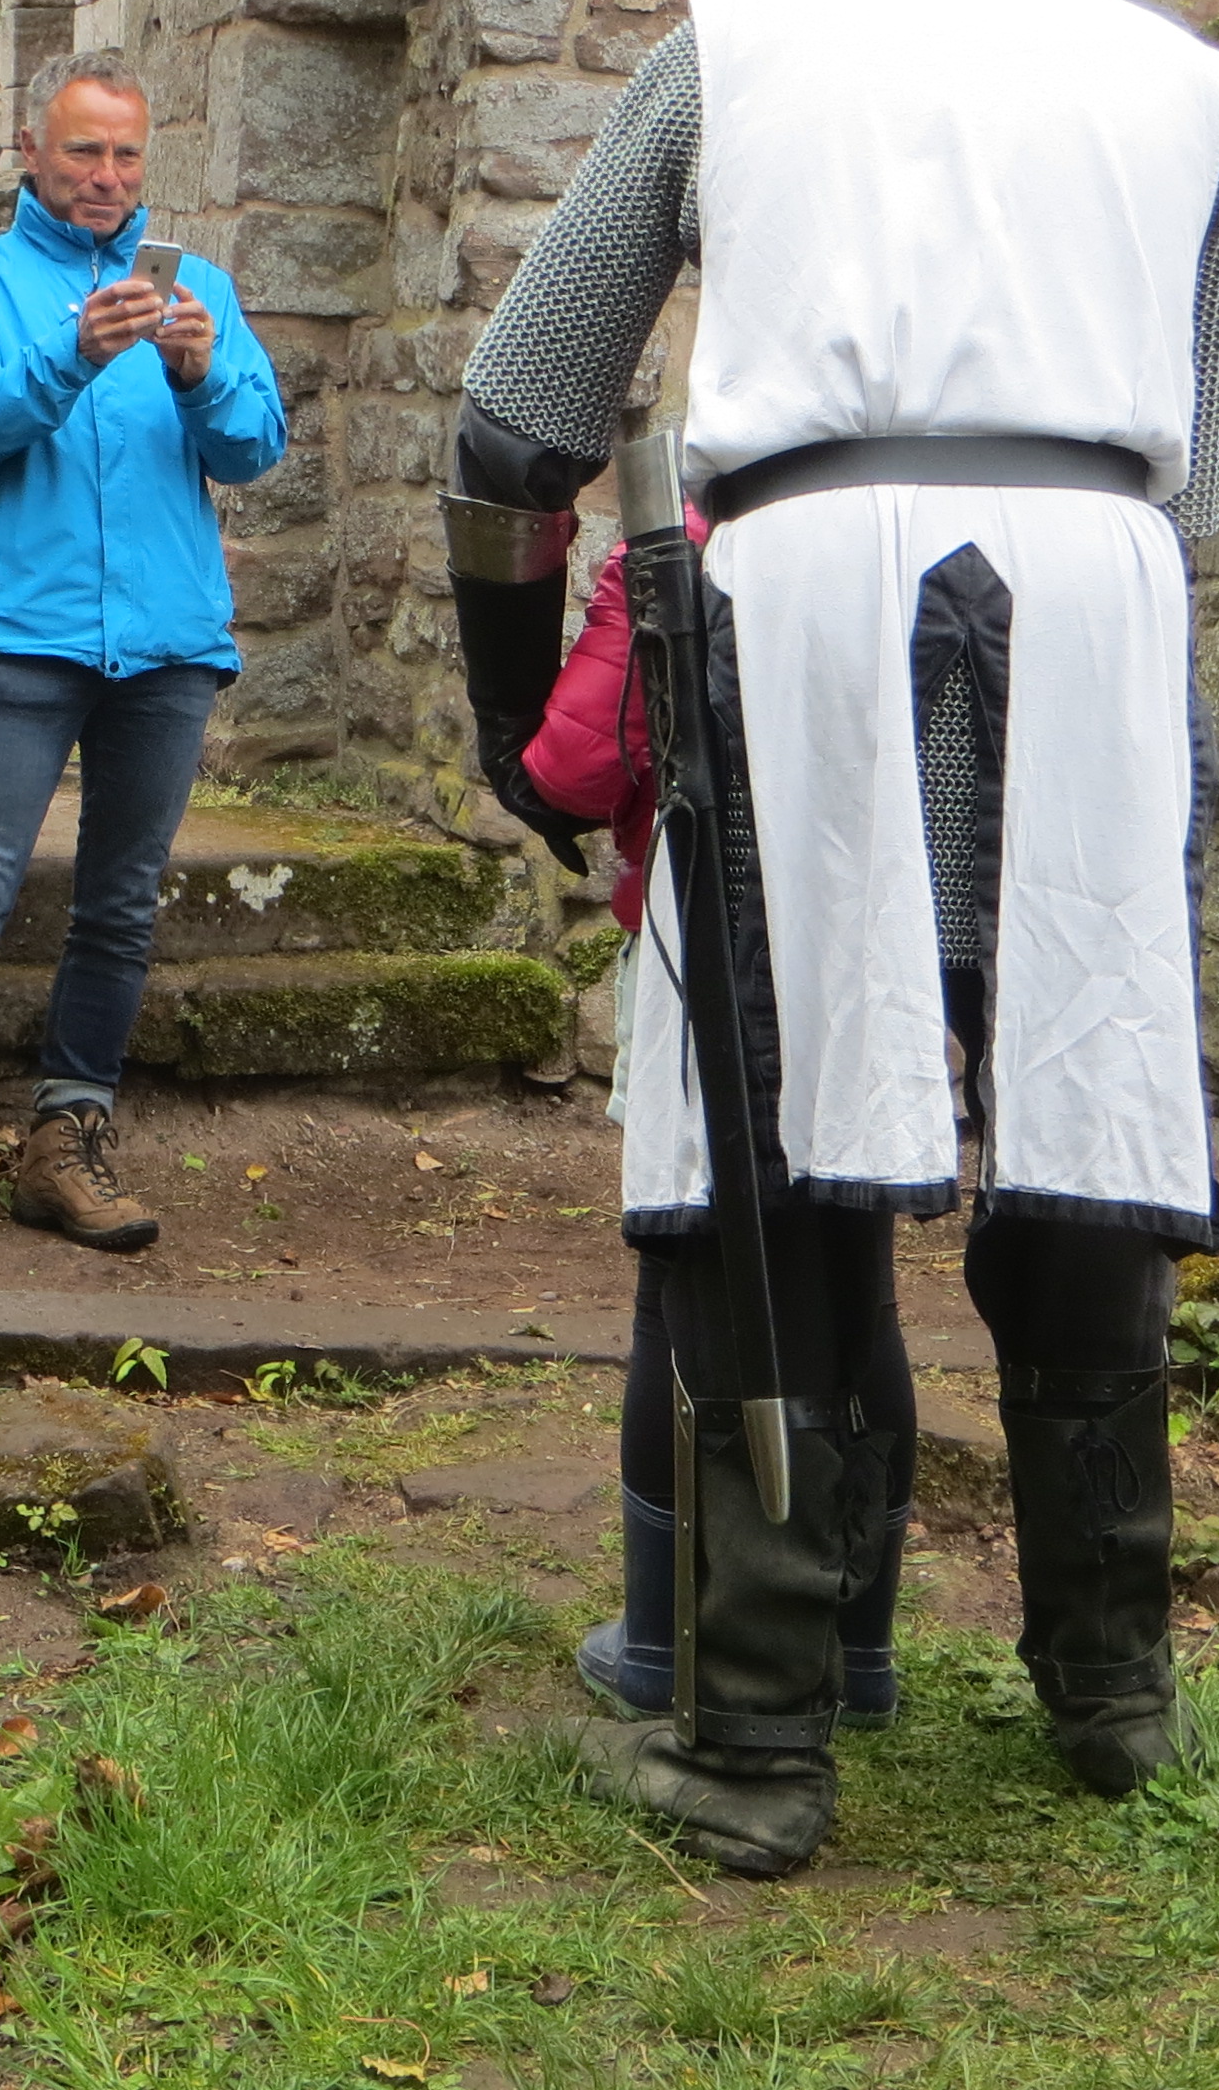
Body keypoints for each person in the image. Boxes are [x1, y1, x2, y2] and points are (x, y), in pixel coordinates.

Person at [444, 0, 1219, 1875]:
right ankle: (1112, 1696)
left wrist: (513, 711)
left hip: (806, 605)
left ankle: (756, 1743)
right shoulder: (1180, 80)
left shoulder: (730, 46)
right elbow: (1201, 463)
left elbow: (517, 423)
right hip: (1098, 605)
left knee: (772, 1137)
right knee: (1083, 1116)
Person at [0, 53, 289, 1283]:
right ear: (29, 152)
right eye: (83, 151)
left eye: (126, 154)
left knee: (120, 903)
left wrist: (199, 374)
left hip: (167, 643)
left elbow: (255, 449)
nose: (106, 177)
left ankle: (66, 1141)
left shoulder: (199, 288)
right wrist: (71, 356)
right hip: (21, 638)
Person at [522, 517, 916, 1736]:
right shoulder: (909, 524)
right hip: (877, 932)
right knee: (858, 1274)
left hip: (713, 923)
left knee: (685, 1268)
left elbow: (572, 766)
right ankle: (855, 1646)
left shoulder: (684, 539)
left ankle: (663, 1639)